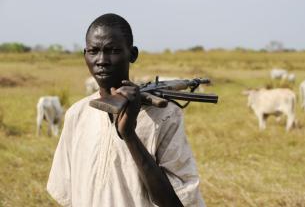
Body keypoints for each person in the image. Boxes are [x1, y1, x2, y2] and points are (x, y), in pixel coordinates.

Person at [47, 13, 205, 207]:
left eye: (112, 50)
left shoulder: (165, 115)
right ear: (85, 54)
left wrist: (129, 135)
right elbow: (67, 193)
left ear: (132, 54)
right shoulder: (77, 114)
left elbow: (176, 202)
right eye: (93, 51)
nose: (101, 60)